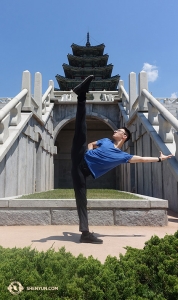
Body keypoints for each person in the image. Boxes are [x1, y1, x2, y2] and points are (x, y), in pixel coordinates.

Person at [71, 75, 173, 244]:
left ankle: (85, 233)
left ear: (124, 136)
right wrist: (90, 154)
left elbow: (140, 159)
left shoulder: (121, 156)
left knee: (82, 199)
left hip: (82, 173)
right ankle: (81, 94)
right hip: (80, 157)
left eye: (118, 130)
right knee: (81, 130)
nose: (115, 131)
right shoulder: (105, 141)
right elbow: (90, 144)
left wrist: (159, 159)